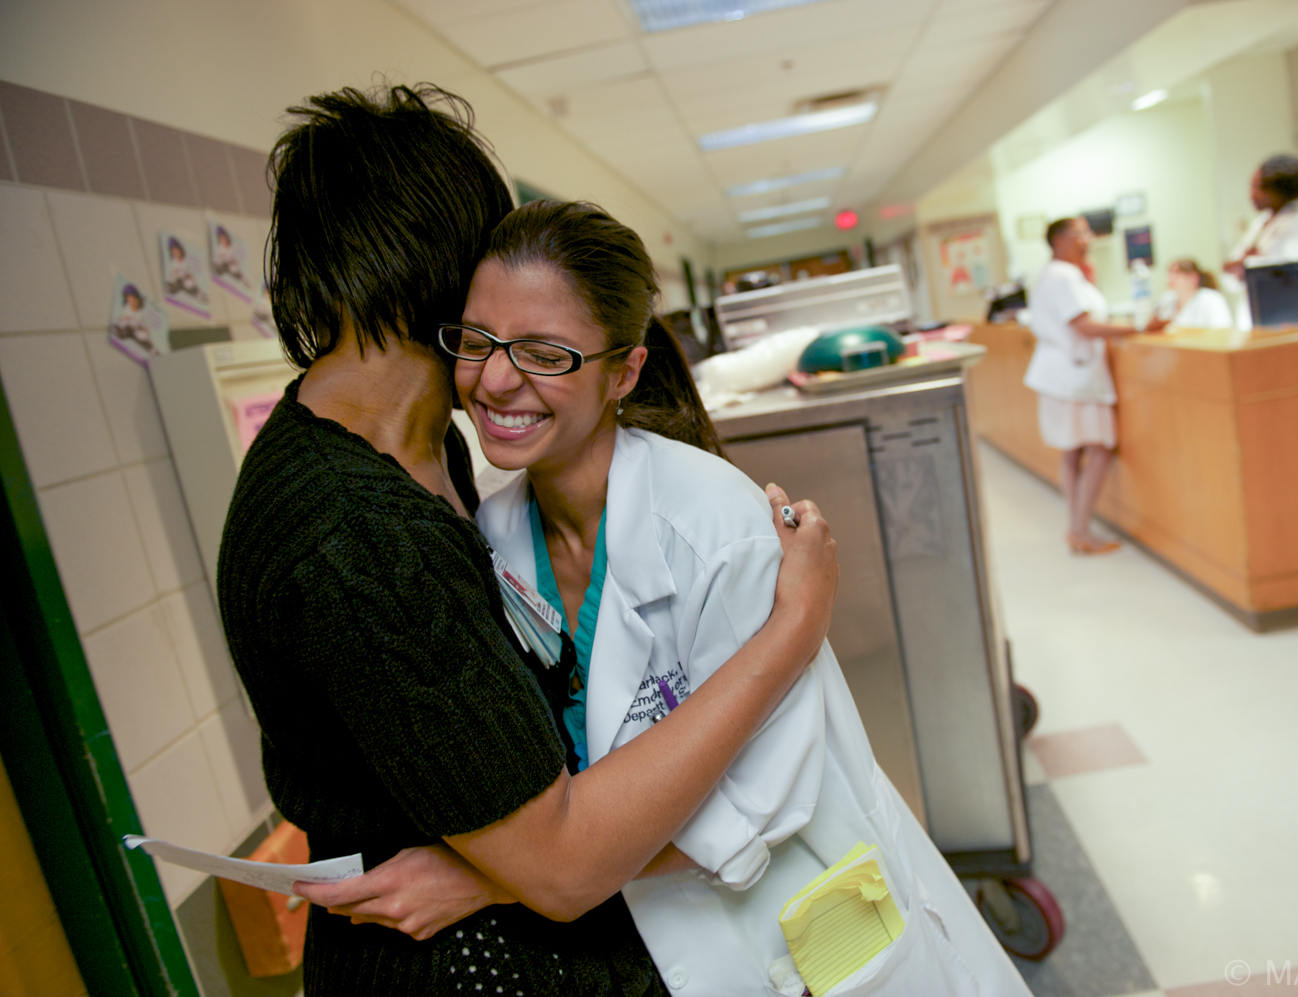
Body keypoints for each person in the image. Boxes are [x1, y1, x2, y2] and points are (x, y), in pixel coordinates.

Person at [309, 199, 1029, 996]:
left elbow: (764, 804)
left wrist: (497, 878)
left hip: (805, 928)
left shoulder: (718, 529)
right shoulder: (493, 528)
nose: (497, 379)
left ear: (623, 371)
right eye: (478, 343)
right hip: (647, 945)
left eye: (545, 353)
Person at [217, 84, 838, 997]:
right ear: (453, 272)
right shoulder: (356, 533)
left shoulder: (427, 456)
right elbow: (561, 862)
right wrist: (795, 628)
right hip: (469, 970)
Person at [1023, 218, 1138, 555]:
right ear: (1060, 240)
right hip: (1074, 376)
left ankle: (1077, 528)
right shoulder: (1063, 276)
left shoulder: (1058, 274)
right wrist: (1138, 327)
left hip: (1062, 375)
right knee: (1100, 450)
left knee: (1072, 452)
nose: (1088, 240)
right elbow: (1084, 325)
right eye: (1081, 234)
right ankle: (1080, 530)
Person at [1223, 155, 1298, 328]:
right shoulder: (1260, 223)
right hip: (1253, 319)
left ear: (1279, 188)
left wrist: (1249, 263)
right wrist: (1248, 265)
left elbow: (1296, 269)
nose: (1251, 195)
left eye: (1257, 187)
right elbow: (1229, 276)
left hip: (1289, 316)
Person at [1143, 258, 1232, 331]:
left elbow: (1223, 331)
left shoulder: (1211, 299)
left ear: (1193, 278)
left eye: (1176, 273)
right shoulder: (1167, 299)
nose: (1170, 278)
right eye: (1169, 273)